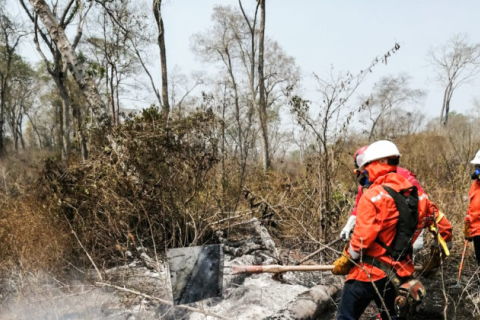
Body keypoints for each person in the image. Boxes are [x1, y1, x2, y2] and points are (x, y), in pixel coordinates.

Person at [332, 140, 453, 320]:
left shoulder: (372, 196)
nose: (364, 174)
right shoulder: (419, 197)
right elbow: (445, 229)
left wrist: (346, 259)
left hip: (368, 273)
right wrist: (436, 259)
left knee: (345, 317)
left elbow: (361, 241)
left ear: (376, 164)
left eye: (365, 168)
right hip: (399, 275)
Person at [340, 145, 427, 255]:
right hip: (383, 234)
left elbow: (423, 202)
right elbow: (358, 208)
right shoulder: (365, 186)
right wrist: (348, 227)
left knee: (410, 250)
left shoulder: (404, 175)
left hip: (408, 224)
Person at [464, 150, 480, 267]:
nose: (477, 170)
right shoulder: (475, 185)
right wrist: (467, 226)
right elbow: (471, 207)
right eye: (477, 166)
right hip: (476, 230)